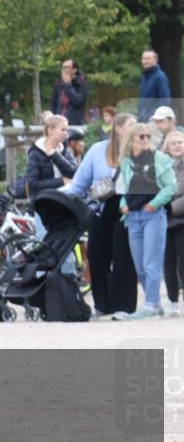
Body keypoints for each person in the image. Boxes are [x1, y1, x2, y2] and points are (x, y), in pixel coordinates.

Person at [65, 113, 139, 316]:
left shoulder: (138, 150)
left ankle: (122, 306)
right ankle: (101, 304)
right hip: (101, 208)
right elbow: (80, 182)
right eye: (131, 125)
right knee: (96, 255)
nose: (136, 128)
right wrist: (65, 201)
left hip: (127, 208)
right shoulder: (98, 150)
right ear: (118, 128)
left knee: (123, 256)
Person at [117, 122, 177, 319]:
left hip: (153, 215)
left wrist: (154, 203)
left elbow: (170, 186)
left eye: (148, 136)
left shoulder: (160, 159)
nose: (145, 140)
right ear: (131, 139)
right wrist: (123, 205)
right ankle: (155, 304)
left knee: (152, 262)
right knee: (140, 265)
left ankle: (150, 304)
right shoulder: (126, 162)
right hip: (133, 217)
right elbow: (125, 188)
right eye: (141, 136)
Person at [26, 114, 77, 274]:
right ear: (50, 130)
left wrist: (55, 155)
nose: (67, 134)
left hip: (63, 206)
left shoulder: (64, 150)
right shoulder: (35, 153)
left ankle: (68, 288)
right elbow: (33, 184)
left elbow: (74, 173)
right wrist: (61, 182)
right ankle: (43, 291)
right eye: (63, 129)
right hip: (44, 207)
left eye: (67, 130)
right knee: (46, 249)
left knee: (67, 250)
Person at [161, 131, 184, 317]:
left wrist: (169, 208)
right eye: (173, 143)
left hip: (181, 219)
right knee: (168, 263)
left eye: (180, 142)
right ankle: (172, 301)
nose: (177, 145)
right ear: (167, 147)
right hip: (162, 220)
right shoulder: (159, 167)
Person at [48, 58, 88, 126]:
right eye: (62, 67)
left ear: (74, 70)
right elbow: (53, 103)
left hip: (73, 123)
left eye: (66, 67)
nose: (63, 70)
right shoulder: (58, 84)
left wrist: (68, 84)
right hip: (58, 123)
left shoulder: (82, 83)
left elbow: (78, 102)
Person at [138, 49, 170, 123]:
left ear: (156, 60)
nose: (145, 61)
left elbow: (165, 99)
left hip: (153, 119)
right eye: (144, 59)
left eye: (148, 59)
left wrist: (157, 116)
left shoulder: (160, 77)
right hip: (143, 118)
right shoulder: (144, 77)